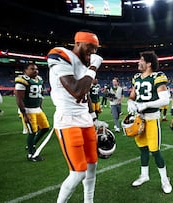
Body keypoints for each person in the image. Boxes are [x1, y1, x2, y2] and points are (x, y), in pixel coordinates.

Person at [47, 30, 106, 203]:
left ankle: (89, 201)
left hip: (85, 119)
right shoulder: (59, 54)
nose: (93, 52)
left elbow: (85, 94)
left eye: (96, 49)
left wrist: (94, 118)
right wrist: (93, 68)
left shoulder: (84, 64)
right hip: (67, 120)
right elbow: (77, 90)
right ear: (78, 43)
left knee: (92, 165)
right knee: (78, 171)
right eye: (90, 47)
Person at [127, 51, 172, 194]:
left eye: (141, 60)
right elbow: (133, 95)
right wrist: (130, 102)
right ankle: (144, 175)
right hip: (139, 119)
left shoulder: (157, 77)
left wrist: (146, 105)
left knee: (155, 151)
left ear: (148, 64)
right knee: (143, 149)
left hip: (152, 118)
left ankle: (165, 180)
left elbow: (165, 99)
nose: (138, 62)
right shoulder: (136, 78)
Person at [15, 63, 50, 161]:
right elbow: (19, 98)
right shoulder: (21, 80)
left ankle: (32, 144)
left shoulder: (39, 79)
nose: (35, 71)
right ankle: (31, 154)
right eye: (32, 69)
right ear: (25, 70)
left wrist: (40, 106)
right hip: (28, 110)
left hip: (37, 109)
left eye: (36, 69)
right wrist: (24, 114)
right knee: (32, 131)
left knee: (45, 128)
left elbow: (40, 94)